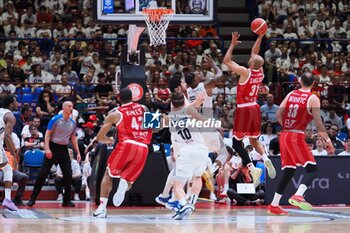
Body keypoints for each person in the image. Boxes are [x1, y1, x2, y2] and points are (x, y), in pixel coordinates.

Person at [268, 72, 335, 215]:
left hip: (285, 135)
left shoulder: (291, 94)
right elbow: (318, 123)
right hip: (296, 136)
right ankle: (298, 195)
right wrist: (328, 141)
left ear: (300, 81)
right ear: (314, 83)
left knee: (289, 172)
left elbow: (279, 114)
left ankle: (274, 205)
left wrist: (287, 127)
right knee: (312, 169)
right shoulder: (313, 98)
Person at [223, 31, 276, 187]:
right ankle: (266, 159)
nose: (249, 57)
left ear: (252, 64)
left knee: (237, 143)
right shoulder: (260, 73)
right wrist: (260, 37)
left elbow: (226, 61)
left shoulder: (245, 72)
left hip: (244, 109)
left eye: (251, 59)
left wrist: (232, 44)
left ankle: (253, 168)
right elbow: (255, 52)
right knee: (254, 140)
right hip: (255, 108)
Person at [93, 88, 152, 218]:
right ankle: (124, 184)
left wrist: (108, 139)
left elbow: (99, 137)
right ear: (133, 97)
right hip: (143, 147)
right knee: (128, 180)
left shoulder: (115, 114)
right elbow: (156, 127)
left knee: (108, 175)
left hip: (126, 145)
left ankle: (102, 208)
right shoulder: (144, 108)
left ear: (119, 98)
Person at [164, 92, 209, 220]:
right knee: (197, 177)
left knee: (178, 185)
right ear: (183, 102)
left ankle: (185, 205)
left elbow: (155, 126)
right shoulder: (189, 110)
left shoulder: (169, 118)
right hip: (201, 149)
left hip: (186, 150)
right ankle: (192, 203)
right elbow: (203, 119)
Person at [27, 101, 81, 207]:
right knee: (43, 173)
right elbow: (47, 134)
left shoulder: (73, 123)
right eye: (69, 106)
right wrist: (47, 149)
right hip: (52, 146)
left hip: (63, 148)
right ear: (64, 108)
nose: (71, 108)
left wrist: (78, 152)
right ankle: (32, 198)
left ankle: (66, 200)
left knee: (68, 174)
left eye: (72, 106)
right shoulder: (56, 119)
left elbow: (73, 139)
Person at [0, 95, 20, 210]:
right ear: (11, 104)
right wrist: (14, 154)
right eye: (16, 101)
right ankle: (7, 199)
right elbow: (7, 136)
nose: (17, 103)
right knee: (7, 169)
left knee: (6, 168)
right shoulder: (10, 116)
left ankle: (7, 199)